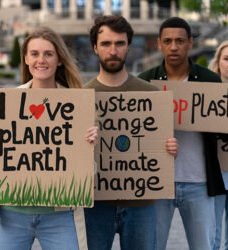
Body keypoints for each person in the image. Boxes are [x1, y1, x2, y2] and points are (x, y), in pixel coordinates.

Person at [0, 27, 98, 250]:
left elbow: (91, 173)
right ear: (26, 59)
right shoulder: (4, 103)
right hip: (10, 216)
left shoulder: (79, 106)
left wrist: (89, 146)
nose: (41, 60)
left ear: (59, 59)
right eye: (35, 54)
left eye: (48, 54)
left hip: (60, 216)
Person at [83, 15, 177, 250]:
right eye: (106, 44)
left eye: (119, 43)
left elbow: (158, 146)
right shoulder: (79, 97)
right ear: (95, 48)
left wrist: (169, 149)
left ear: (129, 46)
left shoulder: (152, 96)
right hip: (95, 204)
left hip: (141, 203)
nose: (113, 50)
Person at [138, 16, 225, 250]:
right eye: (167, 41)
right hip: (157, 184)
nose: (173, 46)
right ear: (159, 44)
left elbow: (225, 127)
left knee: (204, 246)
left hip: (200, 182)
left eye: (179, 40)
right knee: (152, 245)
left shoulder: (210, 81)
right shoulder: (145, 82)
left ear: (190, 43)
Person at [208, 40, 228, 250]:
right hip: (215, 176)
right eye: (227, 59)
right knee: (212, 238)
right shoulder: (205, 94)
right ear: (218, 62)